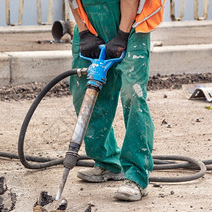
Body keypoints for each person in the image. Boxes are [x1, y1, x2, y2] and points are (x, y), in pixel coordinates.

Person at [68, 0, 164, 201]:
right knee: (83, 90)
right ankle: (107, 161)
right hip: (91, 22)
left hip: (134, 25)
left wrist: (122, 35)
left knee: (132, 94)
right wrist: (84, 31)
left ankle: (137, 176)